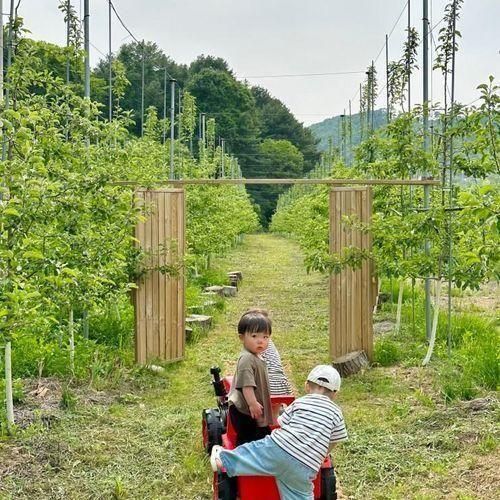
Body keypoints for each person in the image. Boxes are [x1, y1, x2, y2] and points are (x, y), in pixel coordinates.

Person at [211, 365, 348, 500]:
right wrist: (320, 454)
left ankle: (223, 460)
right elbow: (335, 439)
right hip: (305, 466)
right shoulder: (336, 413)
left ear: (307, 386)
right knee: (300, 496)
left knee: (252, 453)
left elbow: (280, 423)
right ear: (335, 393)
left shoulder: (300, 403)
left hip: (280, 448)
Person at [227, 309, 274, 446]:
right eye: (254, 336)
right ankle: (241, 461)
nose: (260, 341)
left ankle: (259, 460)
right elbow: (246, 386)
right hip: (244, 410)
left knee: (263, 435)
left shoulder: (257, 356)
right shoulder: (247, 359)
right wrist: (252, 404)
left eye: (265, 337)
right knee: (248, 439)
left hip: (252, 408)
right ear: (242, 337)